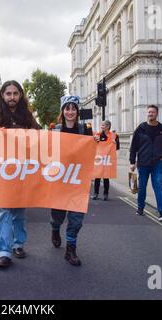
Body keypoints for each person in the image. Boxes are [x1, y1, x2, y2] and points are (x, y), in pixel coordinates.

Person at [0, 80, 40, 269]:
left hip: (22, 172)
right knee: (3, 212)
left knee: (19, 212)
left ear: (20, 95)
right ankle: (4, 252)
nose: (11, 97)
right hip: (1, 173)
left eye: (15, 93)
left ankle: (18, 244)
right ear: (2, 95)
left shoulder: (28, 117)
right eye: (8, 94)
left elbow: (40, 138)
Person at [50, 96, 93, 267]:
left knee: (76, 218)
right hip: (59, 181)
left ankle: (71, 249)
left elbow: (91, 152)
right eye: (67, 108)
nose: (70, 112)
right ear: (62, 111)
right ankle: (55, 229)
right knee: (58, 215)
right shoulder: (55, 130)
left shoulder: (86, 130)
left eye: (73, 108)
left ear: (77, 111)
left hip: (78, 182)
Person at [130, 105, 162, 222]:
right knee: (142, 186)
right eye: (149, 112)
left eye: (153, 112)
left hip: (158, 163)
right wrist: (132, 162)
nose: (150, 114)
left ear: (157, 114)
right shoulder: (141, 128)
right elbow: (133, 146)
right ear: (147, 114)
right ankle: (140, 208)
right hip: (143, 163)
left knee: (158, 186)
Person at [93, 120, 120, 201]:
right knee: (97, 176)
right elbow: (94, 145)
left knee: (106, 177)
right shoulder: (98, 135)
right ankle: (96, 193)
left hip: (107, 159)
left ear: (108, 126)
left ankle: (106, 194)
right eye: (101, 125)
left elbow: (117, 147)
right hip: (99, 159)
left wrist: (115, 143)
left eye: (103, 125)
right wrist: (95, 140)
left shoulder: (113, 135)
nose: (101, 127)